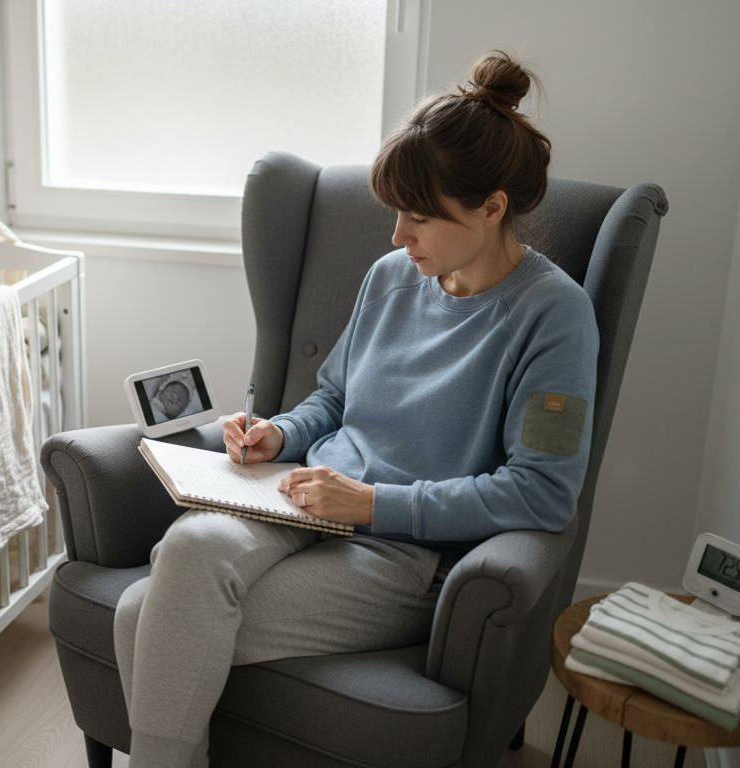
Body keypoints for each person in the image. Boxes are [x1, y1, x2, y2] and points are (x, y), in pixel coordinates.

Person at [113, 50, 599, 768]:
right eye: (396, 213)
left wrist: (371, 505)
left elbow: (543, 492)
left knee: (139, 616)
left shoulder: (555, 317)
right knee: (188, 549)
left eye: (420, 218)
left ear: (492, 208)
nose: (397, 237)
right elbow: (336, 397)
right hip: (301, 494)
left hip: (401, 552)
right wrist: (281, 433)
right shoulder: (393, 277)